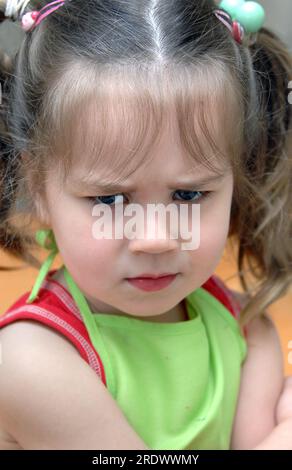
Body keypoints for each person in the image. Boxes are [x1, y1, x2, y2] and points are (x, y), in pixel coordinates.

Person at [0, 0, 291, 450]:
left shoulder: (247, 329)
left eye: (189, 194)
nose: (155, 238)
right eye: (111, 200)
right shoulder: (27, 362)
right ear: (38, 187)